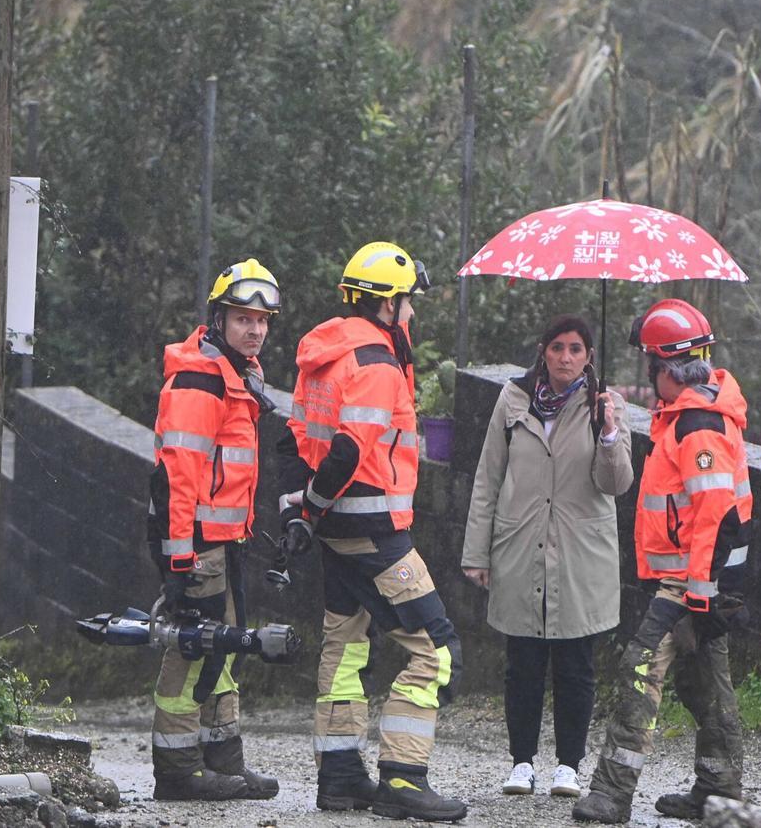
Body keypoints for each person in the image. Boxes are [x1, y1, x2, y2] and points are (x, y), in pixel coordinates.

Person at [277, 241, 467, 822]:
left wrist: (302, 511)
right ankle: (404, 780)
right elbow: (348, 451)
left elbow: (295, 438)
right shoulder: (378, 364)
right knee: (436, 652)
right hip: (374, 530)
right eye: (408, 305)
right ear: (387, 306)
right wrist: (311, 505)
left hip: (335, 531)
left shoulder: (326, 355)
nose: (412, 316)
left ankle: (339, 780)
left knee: (345, 647)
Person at [572, 298, 753, 824]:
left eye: (651, 365)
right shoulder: (687, 415)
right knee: (706, 686)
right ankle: (720, 792)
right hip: (700, 580)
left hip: (690, 582)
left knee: (638, 673)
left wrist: (699, 592)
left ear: (666, 369)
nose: (648, 376)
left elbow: (714, 513)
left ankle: (610, 793)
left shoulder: (697, 424)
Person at [462, 315, 634, 799]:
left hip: (580, 551)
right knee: (523, 660)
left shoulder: (607, 405)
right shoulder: (514, 399)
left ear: (589, 356)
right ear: (543, 351)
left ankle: (568, 766)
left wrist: (607, 435)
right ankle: (522, 762)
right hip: (521, 545)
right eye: (557, 347)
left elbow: (616, 484)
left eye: (576, 349)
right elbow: (487, 477)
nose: (565, 358)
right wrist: (477, 552)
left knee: (576, 661)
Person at [146, 259, 282, 801]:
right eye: (244, 318)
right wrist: (179, 559)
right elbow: (179, 476)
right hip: (196, 544)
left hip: (222, 542)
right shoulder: (201, 377)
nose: (255, 330)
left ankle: (222, 759)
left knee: (223, 648)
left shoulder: (237, 374)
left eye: (263, 320)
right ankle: (178, 772)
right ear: (219, 318)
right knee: (191, 650)